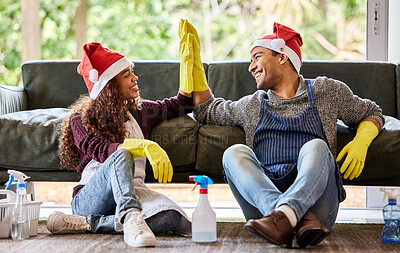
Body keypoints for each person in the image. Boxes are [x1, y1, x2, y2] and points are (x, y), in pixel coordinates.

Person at [179, 20, 384, 248]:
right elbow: (206, 110)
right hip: (278, 216)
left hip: (318, 208)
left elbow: (371, 112)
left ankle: (285, 216)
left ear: (283, 56)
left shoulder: (327, 91)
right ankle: (287, 215)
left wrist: (362, 142)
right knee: (233, 153)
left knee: (316, 146)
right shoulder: (253, 105)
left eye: (257, 56)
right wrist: (194, 62)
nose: (251, 66)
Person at [46, 42, 193, 247]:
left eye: (132, 72)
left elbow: (180, 104)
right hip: (91, 200)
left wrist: (189, 59)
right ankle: (131, 216)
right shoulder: (79, 119)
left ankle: (91, 224)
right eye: (126, 75)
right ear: (109, 86)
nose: (135, 78)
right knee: (121, 154)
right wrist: (145, 146)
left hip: (131, 192)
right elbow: (101, 149)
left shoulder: (139, 111)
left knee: (171, 217)